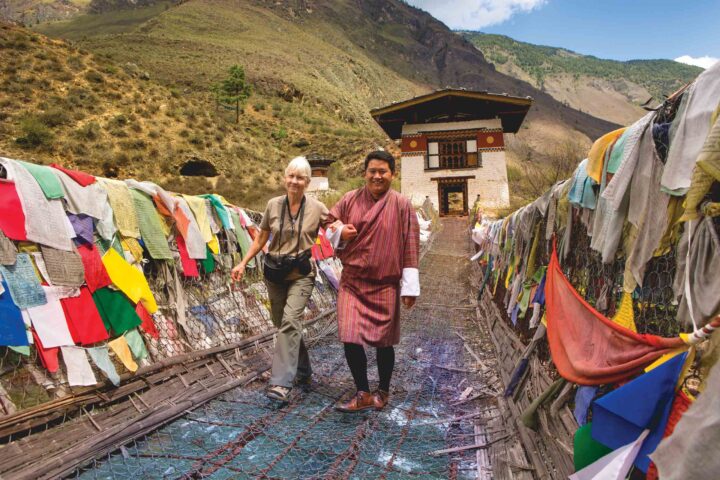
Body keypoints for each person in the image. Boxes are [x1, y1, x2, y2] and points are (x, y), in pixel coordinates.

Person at [231, 156, 332, 403]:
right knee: (283, 323)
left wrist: (347, 231)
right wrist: (243, 262)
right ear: (284, 177)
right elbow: (261, 237)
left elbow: (336, 228)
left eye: (300, 178)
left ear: (307, 182)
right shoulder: (273, 205)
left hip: (301, 274)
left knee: (290, 321)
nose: (294, 181)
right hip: (274, 272)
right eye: (291, 176)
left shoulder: (317, 208)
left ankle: (281, 383)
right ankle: (304, 371)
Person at [327, 150, 420, 412]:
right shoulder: (349, 199)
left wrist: (410, 286)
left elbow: (411, 245)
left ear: (392, 174)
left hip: (385, 284)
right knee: (349, 335)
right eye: (372, 171)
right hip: (353, 282)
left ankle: (383, 390)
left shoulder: (402, 205)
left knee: (384, 341)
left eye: (383, 171)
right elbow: (328, 225)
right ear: (365, 173)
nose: (377, 176)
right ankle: (362, 392)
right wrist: (340, 232)